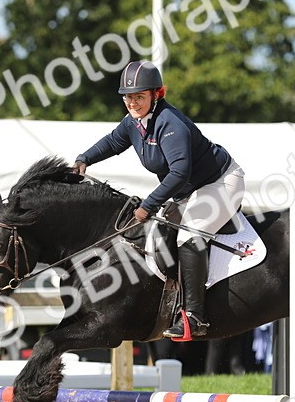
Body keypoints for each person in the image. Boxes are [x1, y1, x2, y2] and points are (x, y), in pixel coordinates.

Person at [72, 61, 245, 338]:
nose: (132, 102)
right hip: (191, 190)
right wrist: (84, 159)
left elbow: (179, 172)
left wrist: (148, 205)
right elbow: (114, 142)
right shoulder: (134, 122)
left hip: (221, 183)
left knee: (188, 237)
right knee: (157, 235)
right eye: (128, 97)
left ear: (156, 94)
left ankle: (194, 318)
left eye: (139, 96)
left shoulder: (170, 123)